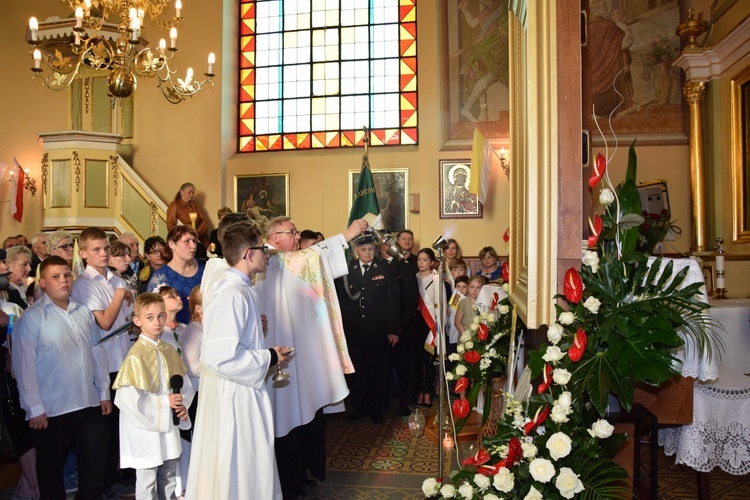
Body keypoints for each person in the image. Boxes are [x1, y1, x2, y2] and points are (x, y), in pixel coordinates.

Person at [255, 215, 365, 496]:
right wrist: (347, 235)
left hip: (295, 354)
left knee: (302, 413)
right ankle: (286, 480)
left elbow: (313, 256)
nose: (296, 236)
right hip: (271, 358)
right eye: (291, 232)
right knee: (282, 418)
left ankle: (300, 474)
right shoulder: (266, 260)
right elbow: (314, 256)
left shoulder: (283, 260)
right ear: (274, 235)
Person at [186, 222, 291, 499]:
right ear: (248, 254)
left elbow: (234, 342)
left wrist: (258, 332)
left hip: (243, 389)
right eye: (262, 250)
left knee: (249, 461)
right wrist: (269, 355)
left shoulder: (243, 289)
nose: (266, 255)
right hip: (233, 395)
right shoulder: (231, 293)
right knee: (239, 461)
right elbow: (219, 358)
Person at [12, 256, 111, 499]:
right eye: (55, 277)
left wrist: (103, 392)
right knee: (50, 472)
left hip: (87, 402)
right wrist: (34, 408)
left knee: (95, 466)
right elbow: (23, 365)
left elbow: (96, 349)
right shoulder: (33, 317)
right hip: (52, 408)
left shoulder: (83, 311)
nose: (64, 280)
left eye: (67, 275)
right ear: (43, 283)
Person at [71, 227, 135, 496]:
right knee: (102, 429)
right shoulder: (84, 285)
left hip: (122, 358)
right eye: (96, 249)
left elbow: (127, 320)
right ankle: (103, 482)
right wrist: (121, 295)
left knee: (120, 424)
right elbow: (105, 322)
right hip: (101, 363)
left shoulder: (116, 280)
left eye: (106, 248)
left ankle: (117, 474)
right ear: (84, 254)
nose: (104, 254)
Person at [113, 293, 194, 499]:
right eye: (150, 317)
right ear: (137, 321)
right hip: (144, 429)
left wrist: (181, 405)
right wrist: (163, 402)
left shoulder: (168, 350)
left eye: (160, 316)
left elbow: (183, 386)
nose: (157, 322)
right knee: (147, 480)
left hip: (167, 424)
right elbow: (127, 400)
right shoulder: (135, 356)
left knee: (168, 475)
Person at [336, 234, 400, 423]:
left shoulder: (386, 268)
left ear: (376, 249)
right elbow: (343, 302)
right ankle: (359, 407)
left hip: (379, 330)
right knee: (358, 371)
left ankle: (376, 408)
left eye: (371, 249)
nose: (367, 253)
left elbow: (393, 300)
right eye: (363, 250)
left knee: (379, 370)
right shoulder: (348, 270)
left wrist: (394, 329)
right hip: (355, 330)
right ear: (356, 251)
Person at [148, 226, 205, 325]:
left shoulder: (204, 267)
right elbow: (151, 312)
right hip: (177, 333)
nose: (193, 246)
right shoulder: (161, 277)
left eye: (194, 241)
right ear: (172, 244)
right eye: (187, 241)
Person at [413, 248, 448, 406]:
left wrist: (439, 326)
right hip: (415, 323)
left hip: (431, 324)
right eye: (419, 259)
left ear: (432, 262)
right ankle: (419, 391)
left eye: (425, 260)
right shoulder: (413, 278)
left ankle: (427, 393)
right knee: (417, 360)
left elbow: (443, 304)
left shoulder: (436, 279)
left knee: (428, 361)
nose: (421, 263)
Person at [166, 183, 211, 247]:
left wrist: (196, 233)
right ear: (182, 192)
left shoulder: (195, 205)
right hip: (185, 241)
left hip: (201, 240)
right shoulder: (175, 205)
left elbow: (204, 221)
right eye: (189, 192)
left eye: (193, 192)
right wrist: (187, 235)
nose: (192, 194)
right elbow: (170, 226)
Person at [4, 245, 32, 309]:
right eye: (24, 264)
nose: (29, 269)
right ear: (8, 265)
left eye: (29, 264)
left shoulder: (31, 288)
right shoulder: (6, 294)